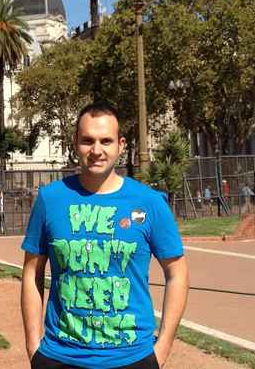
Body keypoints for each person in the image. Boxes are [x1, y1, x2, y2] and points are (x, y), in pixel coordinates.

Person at [21, 103, 189, 369]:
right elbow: (32, 272)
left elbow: (177, 272)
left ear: (121, 145)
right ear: (75, 143)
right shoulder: (50, 199)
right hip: (60, 356)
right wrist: (33, 347)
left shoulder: (150, 202)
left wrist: (163, 348)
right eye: (88, 141)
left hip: (133, 357)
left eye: (106, 141)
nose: (96, 150)